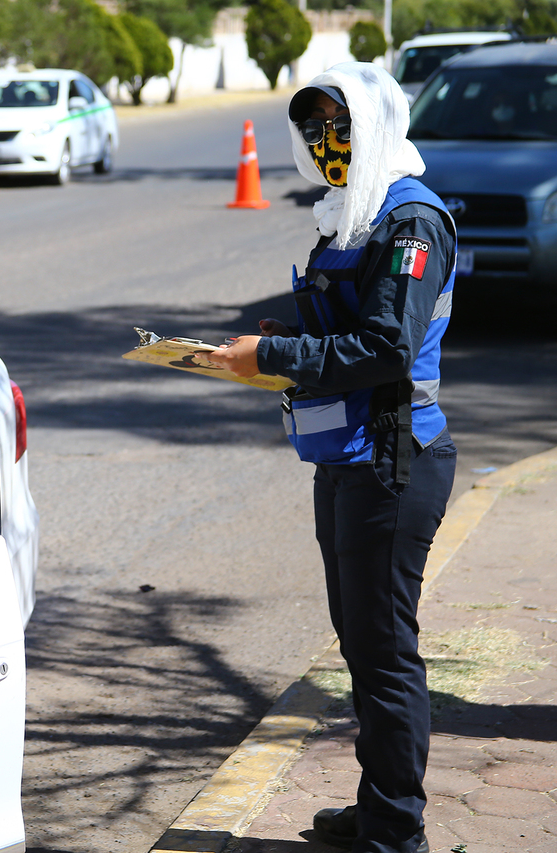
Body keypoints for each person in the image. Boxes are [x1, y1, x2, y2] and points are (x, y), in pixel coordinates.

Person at [208, 63, 456, 853]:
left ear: (375, 124)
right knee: (360, 642)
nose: (325, 142)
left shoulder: (409, 221)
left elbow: (387, 346)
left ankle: (397, 831)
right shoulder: (352, 213)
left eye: (339, 126)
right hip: (348, 456)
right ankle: (380, 804)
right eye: (312, 128)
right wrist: (278, 347)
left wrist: (274, 354)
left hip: (393, 458)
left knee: (384, 651)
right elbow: (343, 330)